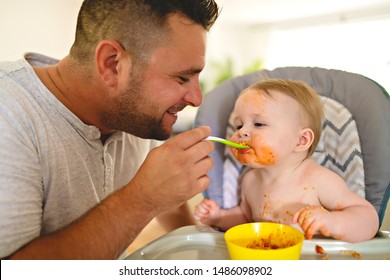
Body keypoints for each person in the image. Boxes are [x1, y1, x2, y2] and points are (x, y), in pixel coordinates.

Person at [0, 0, 219, 259]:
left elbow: (167, 202)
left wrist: (210, 251)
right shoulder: (9, 113)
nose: (196, 98)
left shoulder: (133, 115)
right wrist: (141, 198)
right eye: (182, 78)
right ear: (112, 63)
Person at [194, 79, 379, 243]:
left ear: (301, 141)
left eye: (258, 124)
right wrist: (219, 218)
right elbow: (246, 218)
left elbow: (368, 218)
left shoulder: (318, 180)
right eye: (239, 125)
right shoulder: (250, 181)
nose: (241, 132)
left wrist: (333, 222)